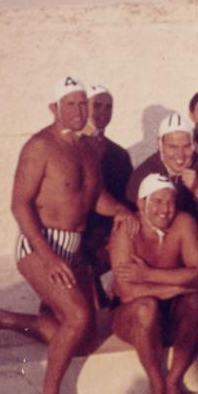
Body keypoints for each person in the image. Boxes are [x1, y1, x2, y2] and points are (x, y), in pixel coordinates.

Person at [0, 76, 139, 394]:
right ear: (54, 109)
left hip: (73, 247)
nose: (79, 111)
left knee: (83, 337)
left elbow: (94, 199)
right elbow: (19, 205)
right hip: (39, 244)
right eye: (71, 104)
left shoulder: (90, 148)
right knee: (77, 318)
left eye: (83, 104)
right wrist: (49, 257)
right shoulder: (39, 147)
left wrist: (122, 211)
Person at [110, 173, 198, 394]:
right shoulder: (126, 229)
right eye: (157, 201)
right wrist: (178, 286)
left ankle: (173, 380)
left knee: (197, 302)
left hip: (173, 314)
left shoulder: (184, 223)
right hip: (132, 316)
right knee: (146, 307)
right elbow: (126, 292)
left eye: (170, 202)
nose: (165, 210)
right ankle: (156, 385)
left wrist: (148, 275)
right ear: (141, 203)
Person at [128, 111, 198, 240]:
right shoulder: (144, 172)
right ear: (160, 145)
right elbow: (131, 214)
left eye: (186, 146)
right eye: (172, 147)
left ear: (193, 145)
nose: (180, 154)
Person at [81, 84, 134, 287]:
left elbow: (125, 200)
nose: (103, 112)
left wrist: (116, 235)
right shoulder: (69, 147)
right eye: (98, 105)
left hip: (106, 232)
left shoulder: (119, 155)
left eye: (108, 107)